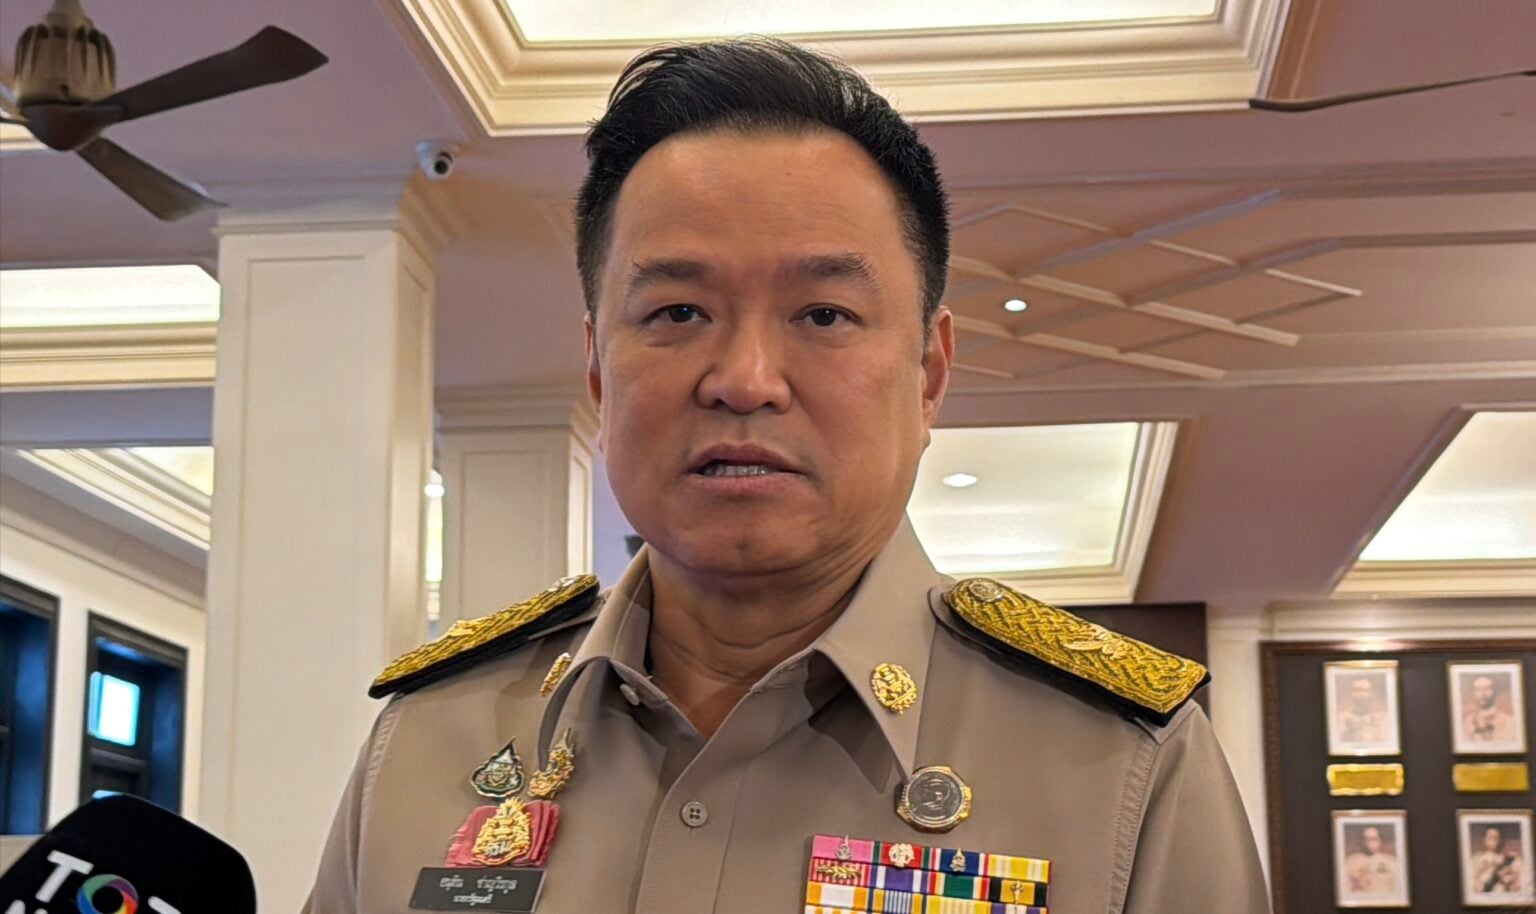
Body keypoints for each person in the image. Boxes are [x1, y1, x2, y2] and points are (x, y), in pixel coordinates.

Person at [303, 38, 1269, 914]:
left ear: (929, 374)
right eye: (678, 313)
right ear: (598, 368)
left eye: (824, 315)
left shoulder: (1125, 769)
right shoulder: (427, 742)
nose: (744, 380)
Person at [1344, 826, 1402, 897]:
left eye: (1373, 839)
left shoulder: (1391, 861)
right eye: (1366, 839)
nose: (1369, 843)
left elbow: (1397, 887)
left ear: (1380, 841)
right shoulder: (1351, 861)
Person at [1463, 675, 1517, 744]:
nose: (1482, 694)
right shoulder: (1468, 720)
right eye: (1478, 690)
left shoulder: (1508, 721)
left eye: (1486, 689)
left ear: (1496, 692)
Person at [1470, 826, 1523, 896]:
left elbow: (1518, 887)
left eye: (1497, 838)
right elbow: (1471, 885)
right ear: (1484, 840)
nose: (1495, 841)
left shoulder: (1513, 860)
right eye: (1491, 837)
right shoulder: (1475, 859)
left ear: (1502, 840)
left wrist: (1509, 883)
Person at [1338, 676, 1389, 745]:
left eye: (1366, 691)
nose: (1361, 694)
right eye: (1357, 690)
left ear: (1371, 694)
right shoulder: (1340, 718)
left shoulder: (1382, 719)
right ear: (1351, 693)